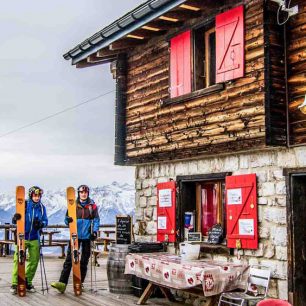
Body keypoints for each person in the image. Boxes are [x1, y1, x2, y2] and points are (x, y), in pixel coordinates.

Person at [51, 184, 100, 293]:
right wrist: (67, 221)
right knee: (69, 259)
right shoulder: (73, 205)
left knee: (84, 261)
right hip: (75, 235)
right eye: (81, 192)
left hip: (87, 237)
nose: (83, 194)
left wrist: (95, 232)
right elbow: (66, 219)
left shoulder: (92, 206)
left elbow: (96, 220)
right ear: (78, 194)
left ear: (87, 193)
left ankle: (79, 283)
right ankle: (62, 283)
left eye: (85, 192)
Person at [10, 186, 48, 294]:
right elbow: (15, 220)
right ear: (31, 196)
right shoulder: (25, 205)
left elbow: (45, 220)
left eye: (38, 196)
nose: (37, 198)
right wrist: (15, 218)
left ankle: (27, 281)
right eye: (35, 195)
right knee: (18, 260)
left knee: (34, 261)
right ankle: (15, 283)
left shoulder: (41, 207)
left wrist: (41, 224)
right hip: (23, 237)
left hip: (35, 237)